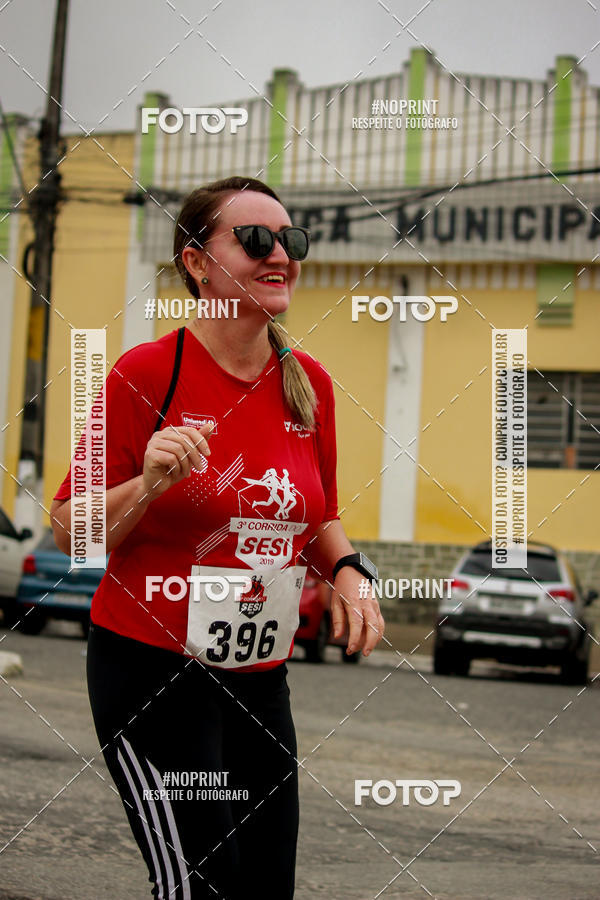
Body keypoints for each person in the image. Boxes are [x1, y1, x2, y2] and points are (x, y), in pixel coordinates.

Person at [50, 176, 385, 899]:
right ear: (199, 262)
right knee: (202, 885)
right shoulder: (148, 373)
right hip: (153, 672)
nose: (280, 255)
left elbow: (318, 512)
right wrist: (147, 484)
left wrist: (350, 570)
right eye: (256, 239)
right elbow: (67, 526)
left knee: (266, 884)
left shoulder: (311, 385)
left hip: (259, 680)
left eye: (290, 241)